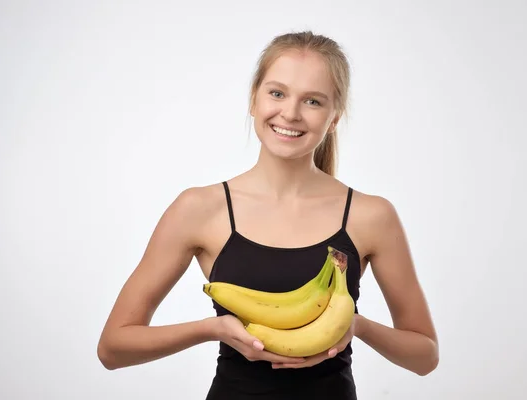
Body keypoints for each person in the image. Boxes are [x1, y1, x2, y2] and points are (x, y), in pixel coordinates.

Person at [97, 30, 439, 399]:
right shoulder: (199, 209)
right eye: (277, 93)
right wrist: (211, 329)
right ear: (253, 100)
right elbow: (113, 347)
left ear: (335, 116)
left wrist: (357, 326)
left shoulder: (371, 216)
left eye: (312, 101)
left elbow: (424, 356)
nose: (289, 113)